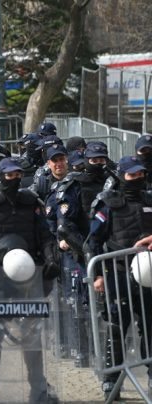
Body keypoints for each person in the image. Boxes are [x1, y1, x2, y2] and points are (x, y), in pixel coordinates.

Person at [0, 157, 60, 403]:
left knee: (32, 335)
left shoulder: (31, 203)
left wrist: (51, 259)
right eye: (8, 175)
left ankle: (39, 388)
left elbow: (45, 236)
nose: (14, 179)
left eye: (17, 174)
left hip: (29, 279)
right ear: (0, 177)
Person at [85, 155, 152, 400]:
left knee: (150, 326)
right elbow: (93, 243)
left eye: (141, 174)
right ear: (121, 176)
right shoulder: (108, 204)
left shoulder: (149, 200)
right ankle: (111, 380)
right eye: (132, 175)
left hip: (148, 278)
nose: (138, 179)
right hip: (118, 274)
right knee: (117, 327)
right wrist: (98, 275)